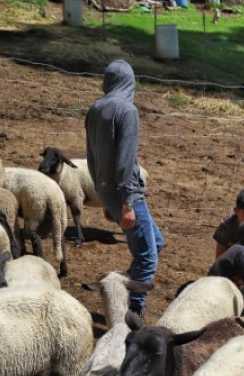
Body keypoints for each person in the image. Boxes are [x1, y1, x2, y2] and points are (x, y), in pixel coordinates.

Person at [86, 59, 165, 318]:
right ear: (130, 82)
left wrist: (106, 198)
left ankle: (122, 286)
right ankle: (133, 310)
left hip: (109, 190)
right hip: (127, 193)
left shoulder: (96, 108)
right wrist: (127, 203)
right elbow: (125, 160)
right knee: (147, 257)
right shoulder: (127, 111)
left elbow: (93, 157)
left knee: (156, 242)